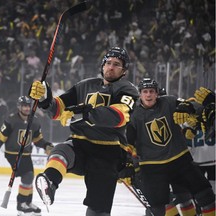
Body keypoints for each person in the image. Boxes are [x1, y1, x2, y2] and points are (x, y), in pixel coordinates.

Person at [29, 47, 139, 216]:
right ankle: (50, 182)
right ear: (102, 66)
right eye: (108, 63)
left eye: (116, 64)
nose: (111, 67)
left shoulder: (127, 89)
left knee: (98, 209)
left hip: (108, 152)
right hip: (80, 143)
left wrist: (83, 113)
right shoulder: (85, 85)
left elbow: (119, 116)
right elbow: (58, 109)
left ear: (123, 71)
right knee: (61, 150)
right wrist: (44, 98)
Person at [126, 78, 215, 216]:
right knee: (161, 206)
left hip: (180, 161)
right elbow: (128, 142)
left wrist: (189, 107)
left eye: (151, 91)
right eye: (145, 92)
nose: (148, 95)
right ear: (140, 94)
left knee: (206, 196)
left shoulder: (169, 101)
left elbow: (192, 104)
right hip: (152, 167)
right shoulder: (134, 115)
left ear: (157, 94)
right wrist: (125, 162)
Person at [0, 96, 54, 216]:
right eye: (24, 106)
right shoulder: (11, 120)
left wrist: (46, 145)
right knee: (27, 176)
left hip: (26, 153)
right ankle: (21, 204)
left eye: (28, 106)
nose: (27, 108)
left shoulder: (34, 121)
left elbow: (37, 139)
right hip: (13, 153)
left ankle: (27, 203)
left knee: (29, 177)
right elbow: (1, 137)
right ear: (19, 107)